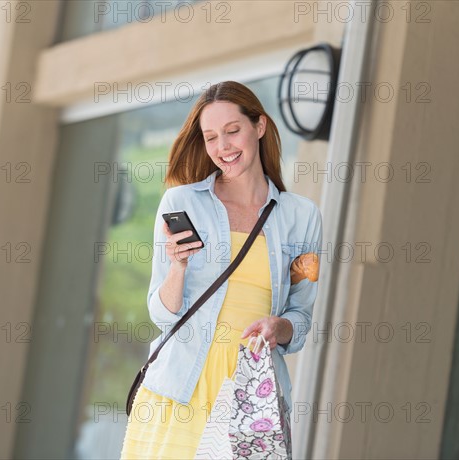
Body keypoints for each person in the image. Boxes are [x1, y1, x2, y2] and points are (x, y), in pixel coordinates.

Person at [120, 80, 323, 458]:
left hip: (252, 396)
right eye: (211, 137)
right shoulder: (181, 202)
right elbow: (161, 313)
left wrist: (280, 327)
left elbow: (302, 314)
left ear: (259, 126)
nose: (223, 147)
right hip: (179, 388)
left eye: (233, 131)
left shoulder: (302, 217)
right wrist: (177, 266)